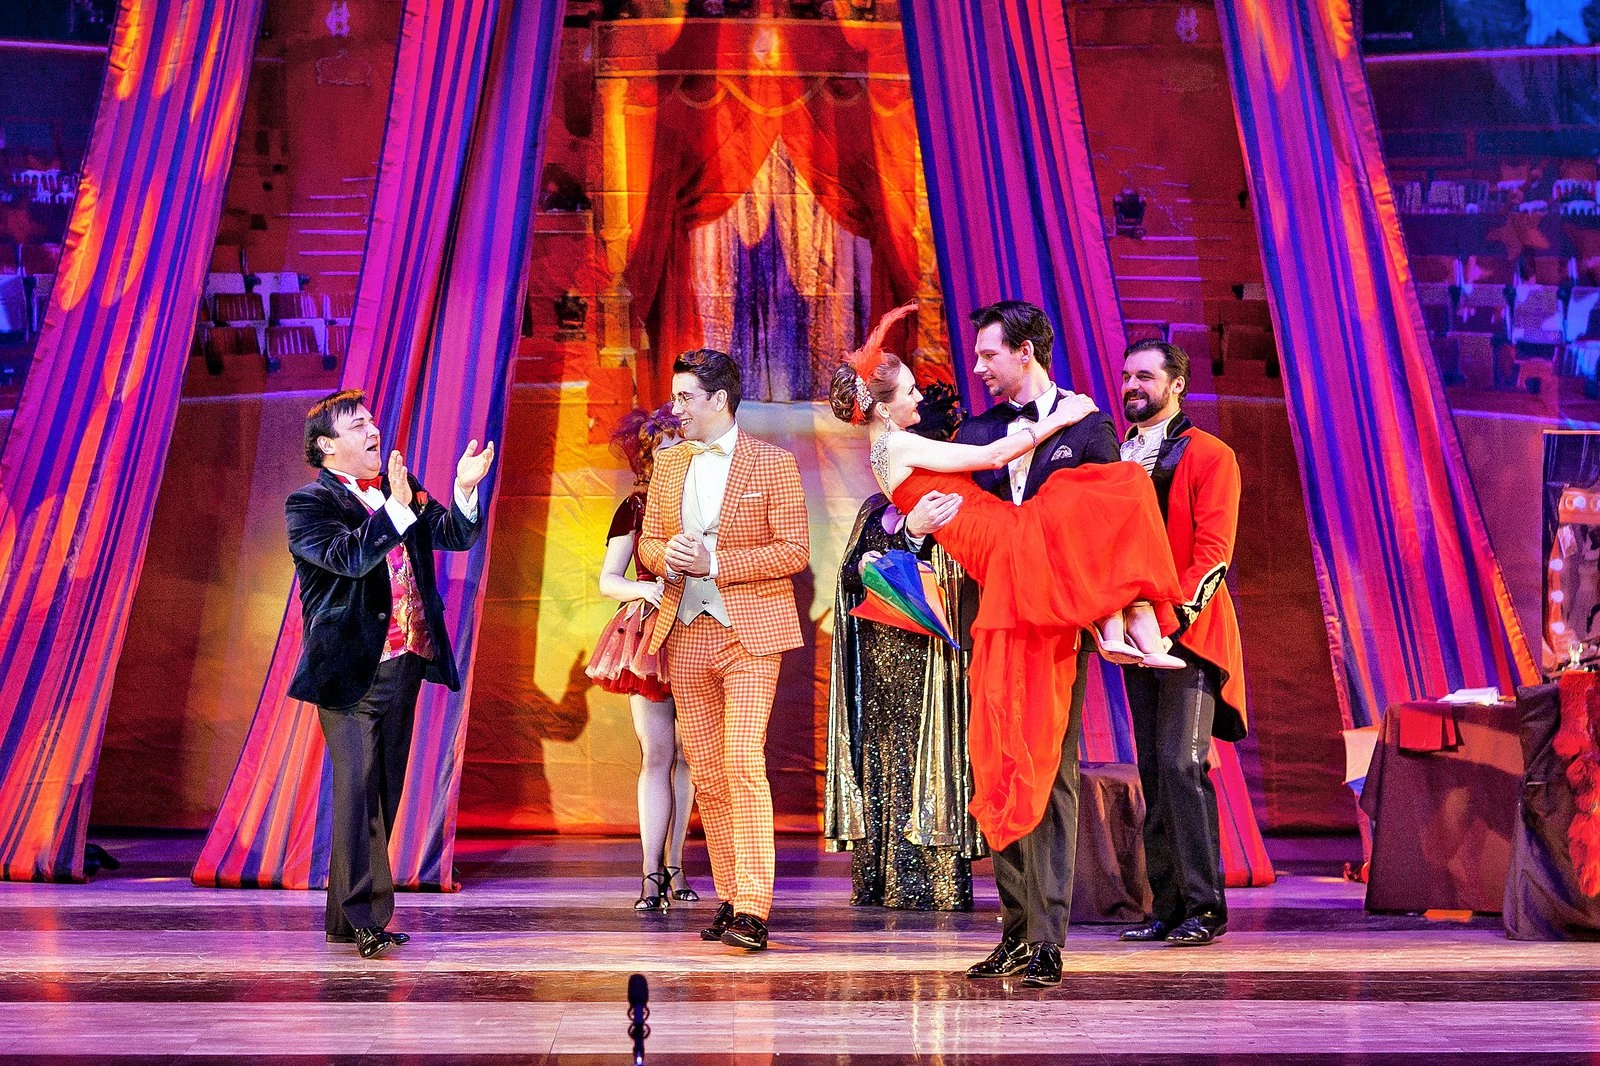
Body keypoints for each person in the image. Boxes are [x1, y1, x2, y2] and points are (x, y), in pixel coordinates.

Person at [828, 303, 1183, 988]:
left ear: (1025, 351)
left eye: (989, 354)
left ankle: (1047, 938)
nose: (978, 367)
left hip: (1056, 619)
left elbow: (1108, 520)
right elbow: (925, 513)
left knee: (1050, 770)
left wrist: (1105, 611)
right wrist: (911, 528)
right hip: (991, 614)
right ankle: (1015, 931)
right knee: (998, 763)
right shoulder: (978, 430)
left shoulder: (1089, 426)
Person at [287, 389, 492, 959]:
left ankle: (347, 921)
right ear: (328, 446)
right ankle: (365, 918)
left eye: (372, 421)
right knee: (357, 792)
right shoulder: (309, 504)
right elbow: (350, 558)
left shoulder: (398, 486)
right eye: (357, 425)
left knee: (382, 791)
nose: (373, 430)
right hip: (349, 672)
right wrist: (397, 509)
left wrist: (464, 490)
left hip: (404, 663)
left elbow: (453, 535)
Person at [638, 349, 811, 952]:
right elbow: (649, 544)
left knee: (742, 762)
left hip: (750, 632)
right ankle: (732, 897)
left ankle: (756, 907)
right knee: (708, 772)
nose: (676, 408)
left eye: (686, 397)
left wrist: (716, 562)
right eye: (675, 397)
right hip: (687, 630)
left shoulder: (773, 463)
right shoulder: (669, 462)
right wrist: (668, 558)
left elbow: (794, 551)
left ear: (719, 400)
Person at [825, 384, 981, 911]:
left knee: (929, 756)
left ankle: (935, 883)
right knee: (880, 760)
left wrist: (916, 535)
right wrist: (896, 540)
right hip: (879, 656)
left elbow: (954, 576)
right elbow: (850, 575)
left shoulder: (950, 504)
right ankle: (879, 878)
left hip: (931, 658)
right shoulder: (876, 508)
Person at [1114, 339, 1249, 948]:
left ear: (1177, 385)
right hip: (1134, 633)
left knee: (1180, 764)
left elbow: (1214, 554)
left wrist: (1167, 621)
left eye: (1145, 376)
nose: (1132, 385)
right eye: (1127, 376)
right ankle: (1166, 906)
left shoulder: (1210, 454)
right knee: (1153, 769)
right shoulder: (1117, 455)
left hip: (1189, 632)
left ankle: (1205, 906)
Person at [586, 405, 699, 912]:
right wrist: (644, 589)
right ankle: (650, 874)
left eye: (682, 447)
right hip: (651, 634)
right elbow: (608, 579)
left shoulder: (708, 502)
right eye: (664, 449)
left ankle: (676, 865)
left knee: (692, 757)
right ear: (650, 458)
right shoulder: (636, 505)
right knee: (657, 754)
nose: (674, 457)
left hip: (700, 629)